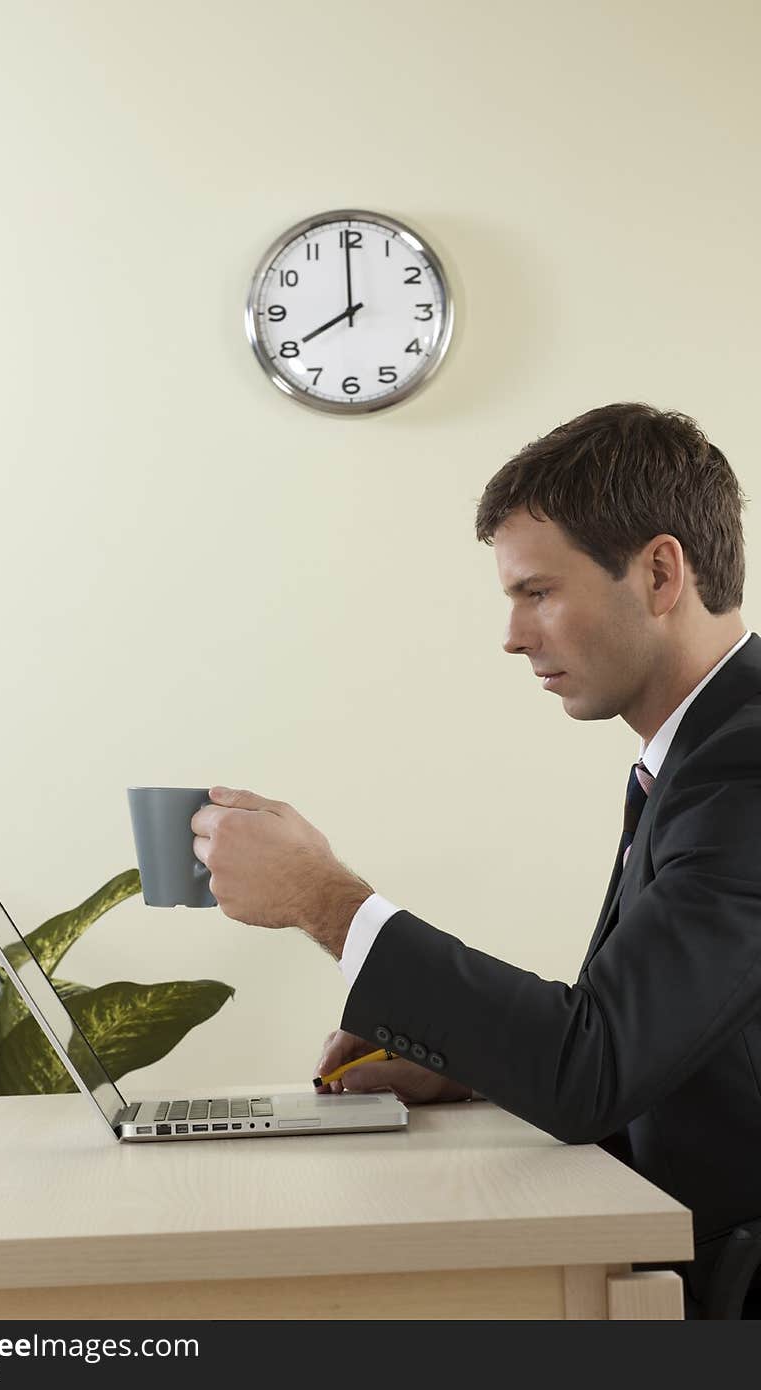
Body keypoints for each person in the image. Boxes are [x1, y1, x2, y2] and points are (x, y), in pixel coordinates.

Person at [191, 402, 761, 1316]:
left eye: (537, 591)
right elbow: (649, 1035)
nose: (513, 634)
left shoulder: (743, 767)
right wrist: (468, 1064)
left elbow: (594, 1069)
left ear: (660, 573)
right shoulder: (699, 754)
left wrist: (322, 899)